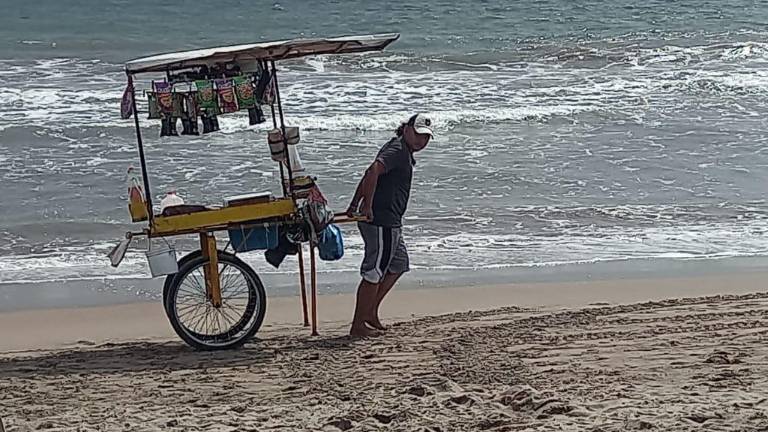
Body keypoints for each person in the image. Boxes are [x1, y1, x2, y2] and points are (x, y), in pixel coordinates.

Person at [346, 113, 433, 337]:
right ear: (406, 129)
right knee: (374, 272)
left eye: (426, 137)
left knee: (399, 263)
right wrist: (366, 206)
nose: (421, 141)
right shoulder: (397, 150)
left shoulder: (402, 151)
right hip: (381, 221)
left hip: (391, 222)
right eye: (418, 134)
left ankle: (370, 311)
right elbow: (373, 170)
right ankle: (358, 325)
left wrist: (355, 203)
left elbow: (370, 172)